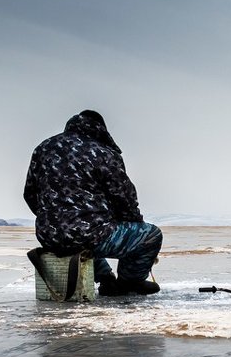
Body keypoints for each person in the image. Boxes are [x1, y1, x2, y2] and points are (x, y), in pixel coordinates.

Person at [24, 110, 162, 296]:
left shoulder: (44, 148)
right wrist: (134, 225)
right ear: (101, 129)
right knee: (151, 236)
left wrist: (53, 221)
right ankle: (128, 283)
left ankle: (106, 279)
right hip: (89, 234)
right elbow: (124, 198)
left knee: (84, 237)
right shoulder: (103, 152)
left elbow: (29, 194)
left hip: (50, 236)